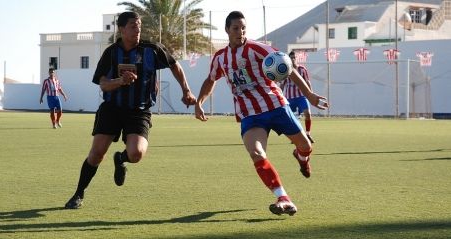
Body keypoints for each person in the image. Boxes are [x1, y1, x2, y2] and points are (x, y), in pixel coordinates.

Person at [194, 11, 328, 216]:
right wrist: (199, 102)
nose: (240, 32)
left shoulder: (257, 48)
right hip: (250, 115)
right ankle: (283, 197)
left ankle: (302, 158)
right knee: (256, 153)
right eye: (236, 28)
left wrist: (309, 95)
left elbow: (287, 65)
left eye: (243, 28)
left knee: (305, 146)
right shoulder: (221, 58)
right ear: (227, 30)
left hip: (276, 106)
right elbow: (211, 79)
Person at [64, 11, 196, 209]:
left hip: (139, 110)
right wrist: (120, 81)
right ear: (122, 29)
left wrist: (186, 90)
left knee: (136, 154)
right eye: (133, 26)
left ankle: (121, 158)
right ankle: (78, 194)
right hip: (111, 108)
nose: (138, 29)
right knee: (97, 153)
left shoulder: (152, 49)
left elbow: (175, 65)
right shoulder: (111, 53)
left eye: (139, 25)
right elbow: (102, 84)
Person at [279, 51, 315, 143]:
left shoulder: (302, 69)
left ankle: (308, 134)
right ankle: (296, 136)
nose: (293, 59)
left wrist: (310, 94)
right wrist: (280, 95)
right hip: (289, 98)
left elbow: (307, 82)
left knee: (308, 114)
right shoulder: (286, 70)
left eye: (294, 57)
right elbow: (282, 85)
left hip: (301, 96)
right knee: (291, 119)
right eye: (291, 58)